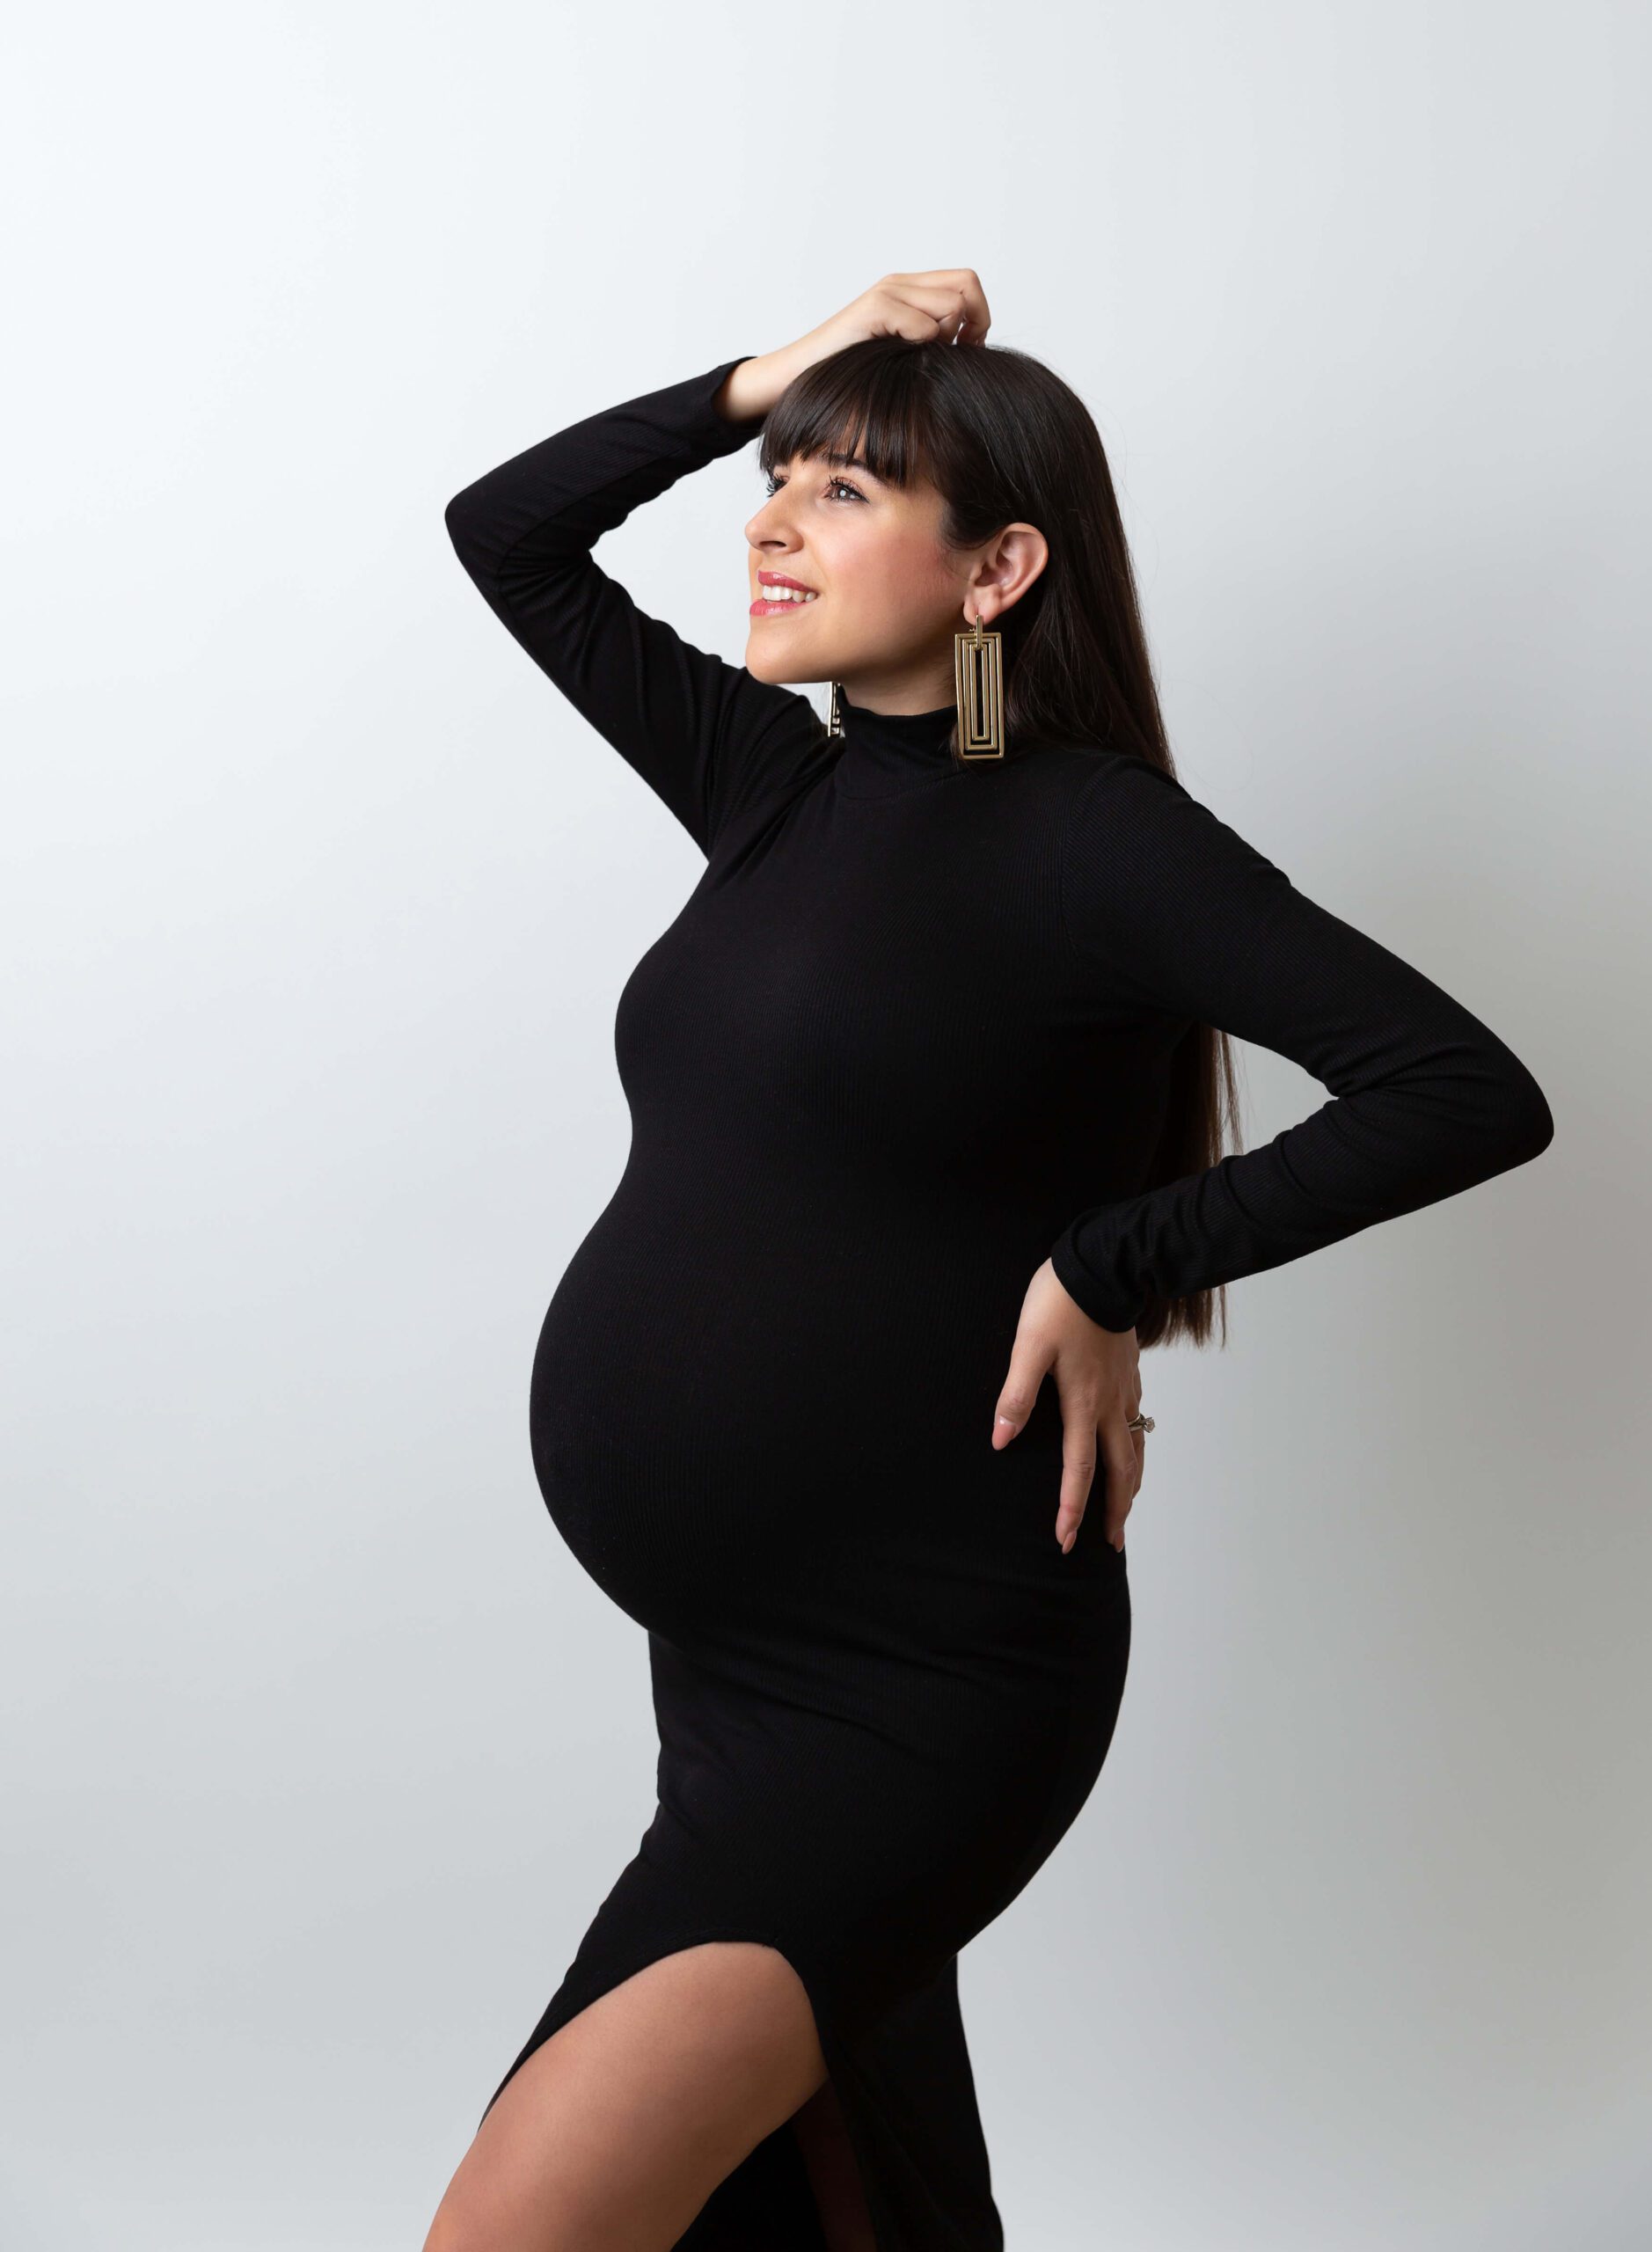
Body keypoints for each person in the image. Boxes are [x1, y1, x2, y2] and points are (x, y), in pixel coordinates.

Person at [426, 270, 1554, 2252]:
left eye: (846, 492)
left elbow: (1458, 1085)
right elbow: (504, 532)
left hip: (919, 1685)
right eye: (776, 479)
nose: (772, 518)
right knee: (855, 2197)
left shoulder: (1099, 841)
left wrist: (1120, 1257)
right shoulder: (774, 790)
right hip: (734, 1667)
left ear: (998, 566)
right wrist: (773, 371)